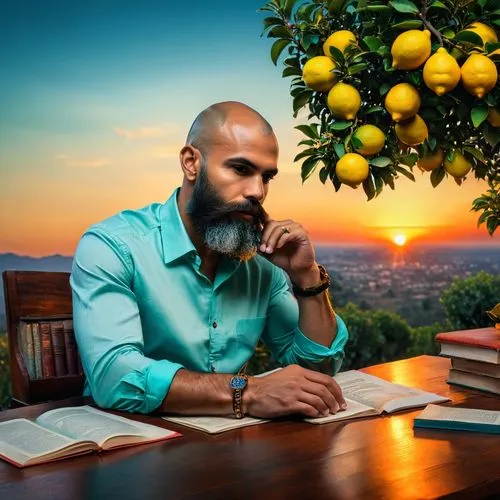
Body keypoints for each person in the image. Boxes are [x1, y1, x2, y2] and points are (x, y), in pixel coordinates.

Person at [70, 101, 349, 420]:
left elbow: (318, 371)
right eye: (241, 169)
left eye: (267, 177)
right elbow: (113, 377)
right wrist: (250, 392)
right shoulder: (113, 246)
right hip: (129, 444)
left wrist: (307, 278)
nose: (257, 191)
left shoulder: (261, 268)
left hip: (230, 449)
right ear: (191, 163)